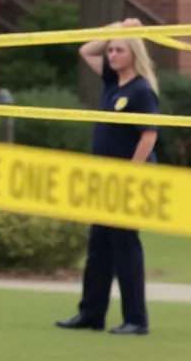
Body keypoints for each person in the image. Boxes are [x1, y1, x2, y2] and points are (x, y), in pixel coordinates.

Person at [56, 17, 159, 337]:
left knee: (125, 246)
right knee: (99, 246)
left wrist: (131, 174)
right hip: (103, 180)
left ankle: (136, 319)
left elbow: (148, 136)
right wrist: (116, 27)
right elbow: (86, 49)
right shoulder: (113, 84)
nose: (111, 55)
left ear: (134, 55)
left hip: (126, 179)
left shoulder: (141, 90)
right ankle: (91, 313)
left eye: (118, 50)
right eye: (111, 50)